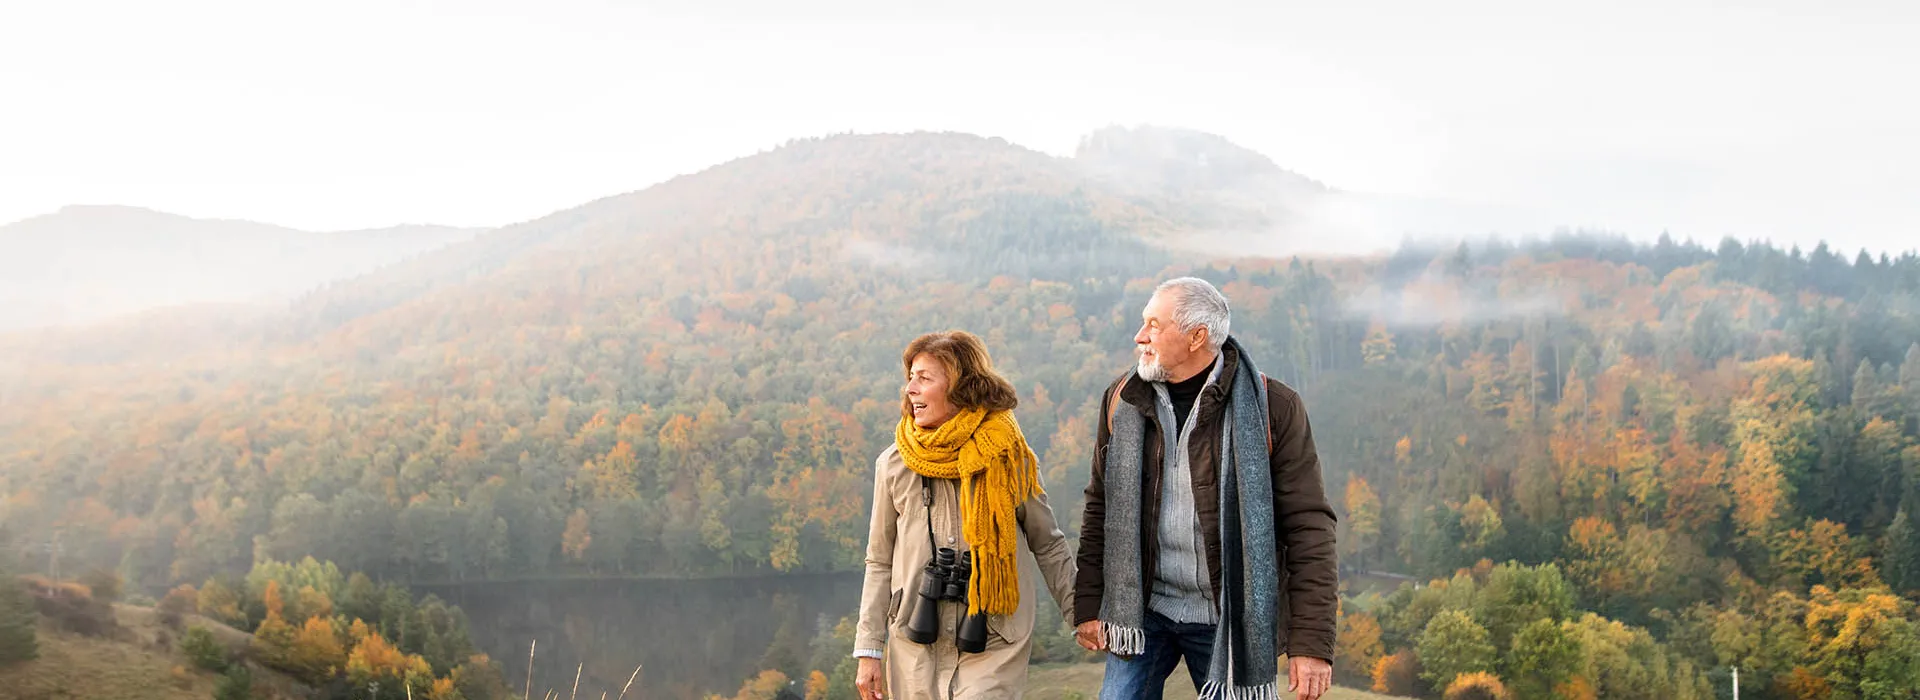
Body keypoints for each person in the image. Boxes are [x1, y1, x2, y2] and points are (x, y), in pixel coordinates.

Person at [1073, 277, 1339, 700]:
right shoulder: (1122, 400)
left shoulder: (1274, 408)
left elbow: (1309, 527)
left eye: (1154, 325)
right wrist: (1089, 604)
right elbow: (1100, 507)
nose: (1140, 337)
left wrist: (1311, 643)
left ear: (1197, 337)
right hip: (1143, 610)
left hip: (1227, 618)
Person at [854, 330, 1078, 700]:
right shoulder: (893, 463)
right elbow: (879, 561)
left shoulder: (1007, 456)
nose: (910, 389)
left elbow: (1048, 543)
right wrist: (868, 650)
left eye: (924, 378)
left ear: (960, 387)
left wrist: (1080, 616)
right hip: (913, 641)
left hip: (991, 638)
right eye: (910, 377)